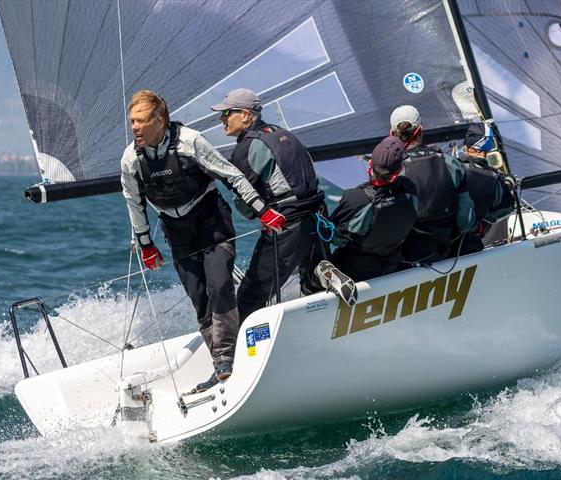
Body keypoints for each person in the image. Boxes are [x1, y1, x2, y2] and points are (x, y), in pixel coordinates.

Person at [120, 90, 264, 393]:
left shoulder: (189, 141)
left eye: (142, 121)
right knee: (199, 297)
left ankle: (227, 359)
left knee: (220, 284)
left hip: (211, 222)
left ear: (160, 120)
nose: (135, 127)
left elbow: (232, 176)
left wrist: (263, 211)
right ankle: (222, 363)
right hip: (176, 231)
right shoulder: (131, 158)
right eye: (132, 121)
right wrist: (146, 245)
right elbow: (134, 202)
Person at [210, 89, 328, 320]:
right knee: (312, 284)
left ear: (245, 115)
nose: (221, 118)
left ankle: (245, 352)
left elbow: (247, 209)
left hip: (287, 225)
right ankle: (319, 285)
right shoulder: (282, 132)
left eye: (226, 112)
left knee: (249, 297)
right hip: (318, 217)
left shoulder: (245, 148)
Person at [389, 105, 475, 265]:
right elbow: (466, 221)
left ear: (392, 133)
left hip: (407, 259)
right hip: (446, 252)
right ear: (421, 129)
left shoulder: (394, 173)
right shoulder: (452, 164)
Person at [328, 136, 417, 281]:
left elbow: (335, 237)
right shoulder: (409, 190)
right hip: (392, 265)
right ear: (399, 170)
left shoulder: (355, 198)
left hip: (355, 271)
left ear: (370, 164)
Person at [455, 122, 516, 255]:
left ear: (467, 145)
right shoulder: (494, 179)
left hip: (444, 245)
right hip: (473, 245)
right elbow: (507, 206)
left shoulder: (453, 168)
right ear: (489, 147)